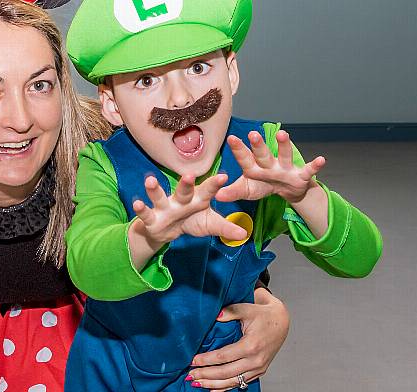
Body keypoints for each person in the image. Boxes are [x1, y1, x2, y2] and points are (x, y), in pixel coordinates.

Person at [0, 0, 291, 391]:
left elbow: (216, 241)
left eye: (39, 85)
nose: (20, 118)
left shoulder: (110, 156)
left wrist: (268, 310)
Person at [63, 0, 383, 391]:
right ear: (111, 103)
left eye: (198, 68)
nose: (180, 98)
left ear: (230, 71)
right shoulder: (103, 165)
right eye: (147, 79)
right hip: (113, 374)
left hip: (220, 374)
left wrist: (305, 197)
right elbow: (86, 267)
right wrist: (147, 235)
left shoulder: (261, 153)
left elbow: (362, 259)